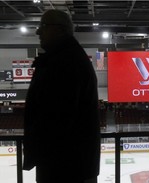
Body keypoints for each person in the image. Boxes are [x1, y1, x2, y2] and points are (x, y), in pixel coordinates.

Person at [23, 9, 101, 183]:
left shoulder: (65, 63)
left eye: (43, 26)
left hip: (64, 166)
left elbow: (56, 117)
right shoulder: (64, 58)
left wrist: (38, 149)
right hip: (67, 163)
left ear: (59, 29)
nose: (38, 31)